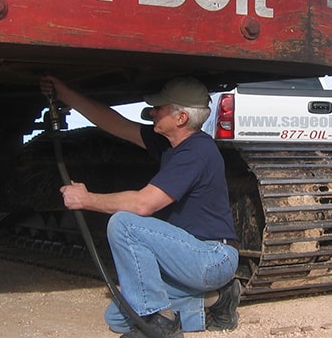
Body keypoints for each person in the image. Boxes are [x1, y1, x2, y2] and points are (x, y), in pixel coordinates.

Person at [40, 75, 241, 338]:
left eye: (160, 108)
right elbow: (115, 123)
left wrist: (86, 199)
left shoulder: (196, 152)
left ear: (180, 118)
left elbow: (143, 204)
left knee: (124, 222)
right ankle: (216, 300)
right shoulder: (171, 145)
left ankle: (160, 324)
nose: (152, 112)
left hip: (211, 257)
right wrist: (66, 93)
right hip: (187, 257)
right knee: (118, 317)